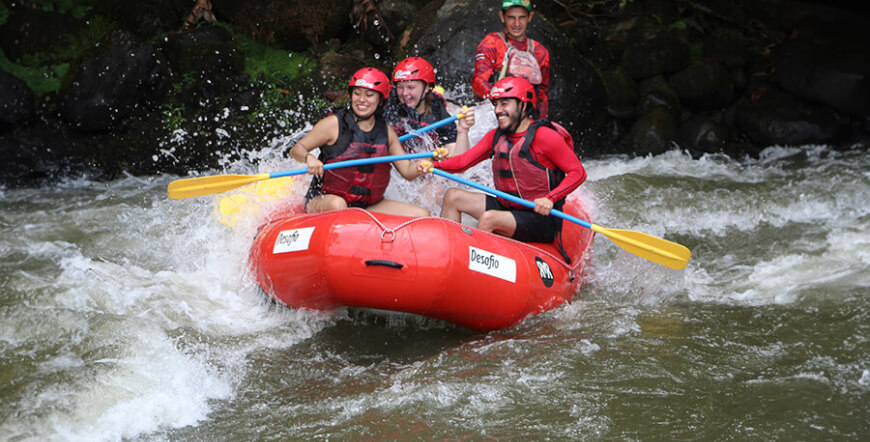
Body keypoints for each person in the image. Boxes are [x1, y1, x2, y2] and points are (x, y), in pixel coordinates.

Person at [419, 76, 585, 243]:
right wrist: (434, 165)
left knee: (489, 218)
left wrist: (550, 198)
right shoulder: (496, 136)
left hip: (540, 218)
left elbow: (578, 172)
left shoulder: (545, 137)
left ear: (523, 105)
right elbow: (463, 162)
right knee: (453, 196)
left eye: (504, 104)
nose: (498, 110)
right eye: (496, 104)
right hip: (507, 208)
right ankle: (448, 248)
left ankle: (474, 261)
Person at [288, 67, 429, 217]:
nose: (361, 100)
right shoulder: (333, 124)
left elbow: (407, 171)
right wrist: (309, 158)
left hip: (369, 205)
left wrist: (421, 166)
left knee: (422, 214)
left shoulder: (387, 133)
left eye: (369, 95)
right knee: (339, 205)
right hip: (324, 200)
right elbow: (296, 149)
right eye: (357, 94)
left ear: (380, 99)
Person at [471, 0, 550, 119]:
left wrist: (542, 122)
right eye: (511, 18)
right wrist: (503, 102)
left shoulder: (540, 52)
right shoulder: (491, 43)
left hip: (525, 116)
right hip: (494, 112)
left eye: (522, 17)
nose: (517, 23)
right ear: (502, 17)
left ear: (530, 17)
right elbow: (478, 82)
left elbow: (542, 95)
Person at [384, 56, 475, 156]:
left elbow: (459, 163)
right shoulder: (388, 105)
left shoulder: (439, 113)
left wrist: (463, 131)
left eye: (411, 87)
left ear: (427, 87)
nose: (405, 93)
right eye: (400, 87)